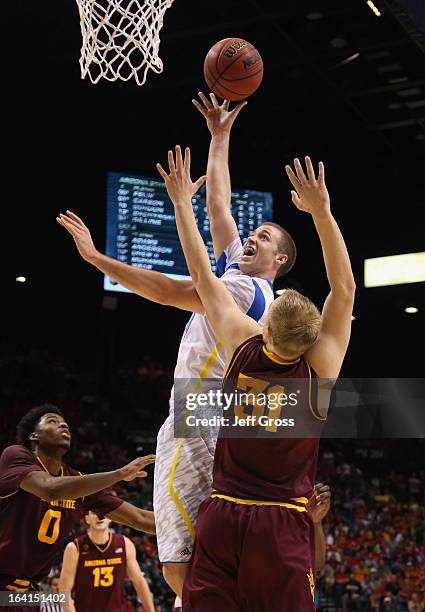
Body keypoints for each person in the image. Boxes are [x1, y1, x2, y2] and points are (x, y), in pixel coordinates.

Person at [57, 92, 297, 599]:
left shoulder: (240, 288)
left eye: (265, 237)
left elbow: (166, 291)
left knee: (178, 564)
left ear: (279, 261)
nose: (252, 237)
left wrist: (96, 258)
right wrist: (219, 133)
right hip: (220, 419)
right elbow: (218, 206)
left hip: (197, 421)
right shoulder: (244, 276)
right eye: (254, 232)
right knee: (209, 553)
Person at [156, 146, 355, 610]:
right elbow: (343, 289)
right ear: (312, 337)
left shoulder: (243, 346)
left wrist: (182, 205)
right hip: (281, 521)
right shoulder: (319, 370)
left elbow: (203, 277)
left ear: (267, 328)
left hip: (225, 514)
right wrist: (323, 214)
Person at [0, 404, 155, 612]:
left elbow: (140, 519)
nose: (63, 424)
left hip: (25, 595)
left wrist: (199, 524)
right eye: (52, 421)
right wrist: (119, 474)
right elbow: (50, 490)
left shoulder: (77, 482)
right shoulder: (14, 457)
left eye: (65, 423)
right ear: (34, 436)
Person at [59, 511, 155, 612]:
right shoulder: (75, 547)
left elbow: (139, 582)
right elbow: (64, 591)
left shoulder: (124, 544)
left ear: (110, 518)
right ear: (87, 519)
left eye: (102, 512)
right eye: (94, 513)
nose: (99, 516)